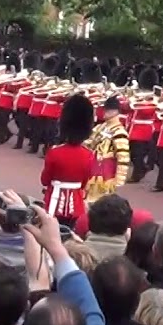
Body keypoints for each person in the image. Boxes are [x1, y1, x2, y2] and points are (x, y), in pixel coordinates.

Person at [42, 94, 97, 228]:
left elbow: (44, 180)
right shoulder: (89, 154)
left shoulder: (55, 152)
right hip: (76, 203)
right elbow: (85, 181)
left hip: (54, 201)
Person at [86, 95, 130, 203]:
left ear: (115, 112)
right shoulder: (101, 127)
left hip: (106, 174)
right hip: (92, 169)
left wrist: (119, 179)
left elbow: (123, 157)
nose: (105, 112)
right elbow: (88, 143)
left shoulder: (119, 132)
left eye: (108, 110)